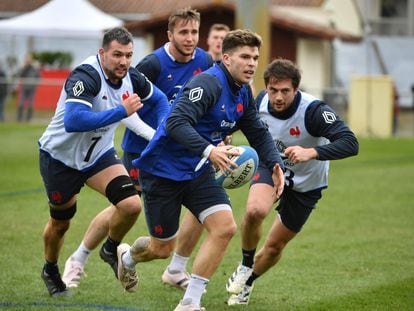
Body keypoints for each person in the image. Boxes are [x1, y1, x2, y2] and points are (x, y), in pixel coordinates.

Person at [116, 29, 285, 311]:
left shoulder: (243, 90)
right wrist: (211, 150)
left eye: (255, 57)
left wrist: (275, 163)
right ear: (227, 58)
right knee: (162, 249)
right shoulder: (208, 83)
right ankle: (129, 258)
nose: (252, 63)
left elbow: (258, 131)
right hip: (162, 171)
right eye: (245, 57)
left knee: (224, 227)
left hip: (198, 170)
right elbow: (175, 123)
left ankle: (190, 302)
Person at [61, 7, 213, 290]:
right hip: (142, 149)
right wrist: (158, 136)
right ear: (169, 35)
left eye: (194, 32)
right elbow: (128, 109)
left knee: (198, 204)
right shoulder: (152, 65)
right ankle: (78, 258)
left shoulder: (204, 60)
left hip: (180, 150)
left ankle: (177, 268)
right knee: (126, 204)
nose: (190, 38)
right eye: (183, 32)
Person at [38, 26, 168, 297]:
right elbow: (74, 121)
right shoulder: (86, 76)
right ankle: (50, 268)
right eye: (117, 55)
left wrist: (163, 133)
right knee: (61, 222)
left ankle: (110, 249)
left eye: (129, 55)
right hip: (60, 158)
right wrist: (120, 111)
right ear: (102, 53)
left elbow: (160, 99)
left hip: (97, 157)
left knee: (131, 205)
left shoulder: (132, 77)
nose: (123, 61)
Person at [225, 58, 359, 306]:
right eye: (273, 90)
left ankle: (248, 282)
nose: (278, 97)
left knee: (275, 247)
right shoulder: (259, 103)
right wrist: (226, 137)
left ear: (296, 89)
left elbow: (351, 143)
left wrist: (312, 152)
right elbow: (240, 123)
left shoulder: (314, 111)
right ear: (266, 87)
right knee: (255, 211)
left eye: (285, 91)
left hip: (307, 184)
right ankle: (245, 264)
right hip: (271, 165)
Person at [17, 53, 40, 122]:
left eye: (29, 58)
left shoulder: (34, 67)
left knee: (30, 104)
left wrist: (35, 84)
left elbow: (38, 76)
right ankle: (19, 119)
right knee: (21, 103)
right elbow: (20, 75)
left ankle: (28, 119)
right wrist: (25, 67)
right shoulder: (23, 67)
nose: (28, 59)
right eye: (27, 58)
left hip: (32, 88)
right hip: (24, 88)